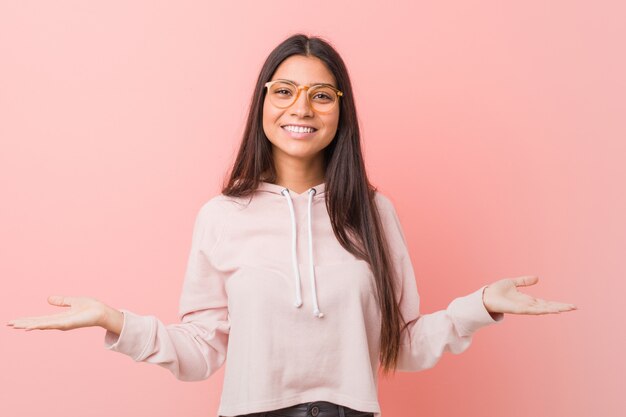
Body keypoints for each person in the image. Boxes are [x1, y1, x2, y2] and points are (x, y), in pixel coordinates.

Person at [7, 33, 577, 417]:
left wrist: (482, 305)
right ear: (263, 104)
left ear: (341, 109)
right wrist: (113, 320)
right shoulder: (221, 215)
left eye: (320, 95)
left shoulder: (374, 212)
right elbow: (203, 351)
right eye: (284, 91)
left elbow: (398, 347)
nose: (301, 108)